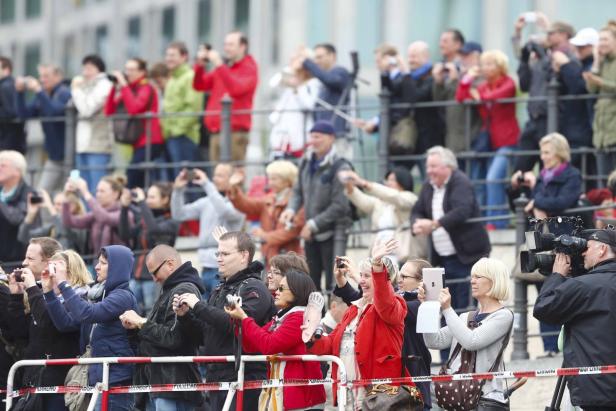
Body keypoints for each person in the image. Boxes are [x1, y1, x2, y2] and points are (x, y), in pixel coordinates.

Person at [174, 231, 275, 411]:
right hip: (217, 377)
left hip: (246, 377)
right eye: (218, 254)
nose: (219, 259)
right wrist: (185, 316)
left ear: (244, 255)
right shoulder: (220, 288)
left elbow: (235, 324)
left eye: (225, 254)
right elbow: (205, 335)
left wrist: (198, 306)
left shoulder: (254, 287)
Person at [307, 239, 412, 409]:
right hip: (346, 393)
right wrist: (310, 335)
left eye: (367, 276)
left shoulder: (394, 305)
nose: (361, 281)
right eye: (361, 276)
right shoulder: (353, 310)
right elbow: (330, 344)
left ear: (383, 278)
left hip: (377, 396)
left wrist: (377, 265)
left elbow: (384, 299)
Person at [45, 245, 138, 411]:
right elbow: (66, 323)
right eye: (98, 262)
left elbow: (87, 314)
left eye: (103, 263)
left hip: (115, 380)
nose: (96, 267)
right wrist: (48, 292)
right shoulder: (98, 295)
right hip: (99, 378)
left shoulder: (122, 296)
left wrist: (63, 284)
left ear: (117, 268)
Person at [534, 229, 616, 410]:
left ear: (602, 249)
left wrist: (557, 275)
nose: (583, 253)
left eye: (586, 248)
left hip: (596, 392)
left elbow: (544, 308)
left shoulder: (584, 286)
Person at [119, 245, 205, 411]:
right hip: (162, 384)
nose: (153, 279)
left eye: (154, 272)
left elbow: (173, 338)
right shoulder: (170, 289)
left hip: (173, 386)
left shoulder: (183, 290)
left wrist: (141, 322)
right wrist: (134, 328)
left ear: (170, 264)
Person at [226, 270, 326, 410]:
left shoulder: (300, 317)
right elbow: (252, 346)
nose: (276, 292)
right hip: (284, 395)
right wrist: (238, 321)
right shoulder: (282, 317)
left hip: (302, 400)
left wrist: (244, 318)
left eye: (281, 288)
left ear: (296, 291)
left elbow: (269, 345)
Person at [7, 242, 89, 411]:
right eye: (48, 269)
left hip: (59, 384)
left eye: (55, 270)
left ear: (71, 274)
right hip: (34, 381)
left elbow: (50, 324)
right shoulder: (44, 299)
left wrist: (33, 289)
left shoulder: (81, 301)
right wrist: (16, 297)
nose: (49, 275)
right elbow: (19, 332)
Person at [422, 257, 514, 408]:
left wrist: (447, 309)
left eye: (478, 277)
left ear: (494, 280)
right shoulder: (466, 317)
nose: (472, 281)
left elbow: (471, 341)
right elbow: (434, 341)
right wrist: (428, 307)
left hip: (484, 397)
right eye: (472, 277)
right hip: (455, 393)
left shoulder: (503, 316)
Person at [411, 146, 491, 316]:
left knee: (462, 307)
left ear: (447, 167)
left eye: (433, 166)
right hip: (443, 258)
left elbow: (462, 211)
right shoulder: (428, 185)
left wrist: (433, 224)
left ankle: (463, 342)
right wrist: (416, 224)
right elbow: (417, 209)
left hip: (466, 255)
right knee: (446, 306)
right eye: (428, 167)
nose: (429, 171)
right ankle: (449, 342)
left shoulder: (461, 181)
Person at [279, 121, 352, 292]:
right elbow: (298, 192)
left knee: (335, 285)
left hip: (334, 234)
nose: (313, 140)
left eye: (318, 136)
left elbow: (340, 205)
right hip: (312, 235)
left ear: (331, 138)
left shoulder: (340, 166)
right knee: (311, 284)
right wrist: (291, 210)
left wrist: (312, 224)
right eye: (312, 136)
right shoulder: (305, 162)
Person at [514, 19, 590, 172]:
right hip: (533, 118)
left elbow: (572, 85)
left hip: (554, 119)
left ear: (564, 35)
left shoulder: (570, 57)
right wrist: (524, 59)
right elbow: (524, 84)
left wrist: (550, 60)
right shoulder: (543, 58)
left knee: (548, 167)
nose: (546, 37)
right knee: (519, 168)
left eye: (551, 33)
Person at [456, 49, 520, 229]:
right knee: (486, 181)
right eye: (483, 64)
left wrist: (478, 96)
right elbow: (461, 97)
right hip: (490, 141)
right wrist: (468, 78)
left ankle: (497, 222)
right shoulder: (484, 86)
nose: (485, 67)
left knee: (493, 178)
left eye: (490, 64)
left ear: (500, 66)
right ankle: (492, 220)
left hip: (508, 140)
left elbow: (494, 98)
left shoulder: (508, 83)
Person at [171, 165, 245, 300]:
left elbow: (223, 210)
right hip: (205, 267)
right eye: (214, 175)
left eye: (220, 176)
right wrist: (178, 190)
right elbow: (178, 214)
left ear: (232, 179)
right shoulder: (207, 201)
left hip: (226, 270)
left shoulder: (239, 204)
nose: (215, 179)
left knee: (218, 311)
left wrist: (206, 184)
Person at [193, 31, 258, 162]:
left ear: (242, 46)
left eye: (231, 45)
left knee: (233, 178)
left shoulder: (249, 67)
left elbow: (236, 89)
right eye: (225, 44)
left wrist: (219, 65)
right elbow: (200, 85)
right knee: (218, 177)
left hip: (234, 133)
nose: (226, 48)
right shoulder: (225, 67)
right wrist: (200, 65)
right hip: (216, 131)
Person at [339, 166, 427, 262]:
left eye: (392, 180)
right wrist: (349, 184)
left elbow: (394, 196)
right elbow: (363, 201)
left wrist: (363, 183)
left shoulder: (410, 198)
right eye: (387, 180)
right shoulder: (380, 203)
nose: (388, 183)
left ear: (403, 181)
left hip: (402, 257)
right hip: (380, 255)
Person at [228, 160, 304, 267]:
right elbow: (247, 205)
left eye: (274, 179)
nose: (270, 183)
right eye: (270, 178)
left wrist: (264, 236)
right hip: (271, 257)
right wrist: (234, 187)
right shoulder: (270, 199)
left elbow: (291, 231)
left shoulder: (296, 202)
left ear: (287, 181)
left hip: (289, 260)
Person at [119, 183, 180, 315]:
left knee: (152, 313)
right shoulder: (145, 218)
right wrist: (124, 207)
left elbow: (154, 230)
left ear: (165, 199)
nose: (147, 200)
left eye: (152, 197)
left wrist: (141, 203)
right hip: (137, 274)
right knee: (127, 309)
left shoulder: (172, 221)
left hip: (155, 276)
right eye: (147, 197)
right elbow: (125, 234)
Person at [104, 57, 165, 188]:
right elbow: (109, 111)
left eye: (132, 69)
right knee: (139, 179)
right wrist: (114, 88)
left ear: (142, 72)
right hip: (138, 142)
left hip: (150, 140)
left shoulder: (146, 88)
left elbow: (134, 109)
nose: (128, 73)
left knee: (132, 176)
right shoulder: (129, 89)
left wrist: (124, 86)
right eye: (126, 69)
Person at [354, 44, 417, 161]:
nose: (377, 65)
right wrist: (373, 123)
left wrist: (376, 122)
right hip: (389, 136)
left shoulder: (404, 77)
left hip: (398, 137)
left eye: (378, 61)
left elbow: (402, 105)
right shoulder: (388, 77)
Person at [15, 64, 71, 193]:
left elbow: (53, 112)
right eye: (41, 76)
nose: (42, 80)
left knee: (70, 194)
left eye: (46, 76)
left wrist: (38, 90)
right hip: (54, 157)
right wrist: (20, 93)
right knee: (41, 193)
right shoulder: (43, 94)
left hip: (71, 156)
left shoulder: (64, 92)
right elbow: (24, 114)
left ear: (58, 76)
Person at [511, 133, 582, 219]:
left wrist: (536, 203)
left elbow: (563, 202)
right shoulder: (542, 175)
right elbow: (524, 207)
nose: (542, 157)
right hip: (538, 228)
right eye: (541, 153)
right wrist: (515, 186)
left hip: (563, 228)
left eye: (546, 153)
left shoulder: (572, 175)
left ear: (560, 153)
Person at [71, 54, 114, 191]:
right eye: (84, 69)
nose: (85, 73)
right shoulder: (86, 86)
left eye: (89, 69)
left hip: (98, 145)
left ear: (99, 69)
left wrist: (76, 90)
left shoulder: (105, 85)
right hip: (82, 145)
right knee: (83, 187)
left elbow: (87, 109)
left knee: (97, 188)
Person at [433, 41, 483, 156]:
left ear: (477, 57)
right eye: (461, 56)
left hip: (471, 137)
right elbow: (440, 101)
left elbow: (464, 97)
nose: (463, 59)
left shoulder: (481, 77)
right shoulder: (461, 77)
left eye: (466, 56)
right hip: (454, 138)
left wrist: (457, 81)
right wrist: (439, 82)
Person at [163, 41, 203, 178]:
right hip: (172, 136)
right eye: (167, 55)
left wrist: (176, 130)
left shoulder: (190, 77)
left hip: (185, 136)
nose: (169, 59)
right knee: (179, 178)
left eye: (173, 55)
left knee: (187, 179)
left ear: (184, 56)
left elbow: (193, 107)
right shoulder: (172, 79)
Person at [397, 259, 433, 410]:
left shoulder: (423, 305)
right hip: (396, 385)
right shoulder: (400, 298)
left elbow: (386, 305)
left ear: (421, 282)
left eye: (404, 277)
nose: (399, 280)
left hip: (414, 384)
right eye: (399, 275)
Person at [268, 52, 319, 159]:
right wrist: (290, 68)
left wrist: (298, 88)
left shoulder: (312, 83)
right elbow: (273, 83)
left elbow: (309, 105)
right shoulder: (289, 83)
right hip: (282, 135)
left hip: (300, 135)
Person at [62, 175, 128, 257]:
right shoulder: (95, 214)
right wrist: (66, 195)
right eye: (97, 191)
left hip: (117, 265)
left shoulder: (124, 213)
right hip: (98, 265)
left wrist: (86, 193)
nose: (98, 194)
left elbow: (105, 218)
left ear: (115, 194)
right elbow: (70, 222)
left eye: (102, 191)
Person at [406, 41, 446, 176]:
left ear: (425, 56)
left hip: (430, 137)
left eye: (414, 56)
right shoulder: (410, 78)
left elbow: (416, 96)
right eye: (409, 56)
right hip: (411, 140)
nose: (411, 60)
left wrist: (405, 76)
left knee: (429, 176)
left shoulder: (433, 76)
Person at [584, 22, 616, 185]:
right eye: (600, 40)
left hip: (613, 129)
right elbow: (591, 89)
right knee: (604, 182)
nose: (601, 43)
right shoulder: (602, 62)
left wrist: (600, 81)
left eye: (605, 39)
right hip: (601, 133)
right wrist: (596, 61)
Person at [299, 43, 350, 138]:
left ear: (332, 56)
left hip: (336, 134)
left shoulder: (341, 72)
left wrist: (307, 62)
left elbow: (330, 80)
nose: (316, 62)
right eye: (315, 58)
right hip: (322, 134)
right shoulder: (321, 78)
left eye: (320, 57)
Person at [18, 189, 88, 253]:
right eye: (54, 204)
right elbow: (24, 237)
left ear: (72, 207)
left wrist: (50, 207)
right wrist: (30, 215)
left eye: (60, 204)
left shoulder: (81, 222)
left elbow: (65, 231)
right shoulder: (53, 227)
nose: (55, 207)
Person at [0, 150, 31, 269]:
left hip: (15, 262)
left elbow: (17, 218)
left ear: (17, 171)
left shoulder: (28, 193)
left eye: (3, 165)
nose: (0, 168)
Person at [0, 56, 26, 153]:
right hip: (13, 141)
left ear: (6, 70)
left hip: (7, 141)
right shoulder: (10, 84)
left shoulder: (5, 86)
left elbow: (11, 112)